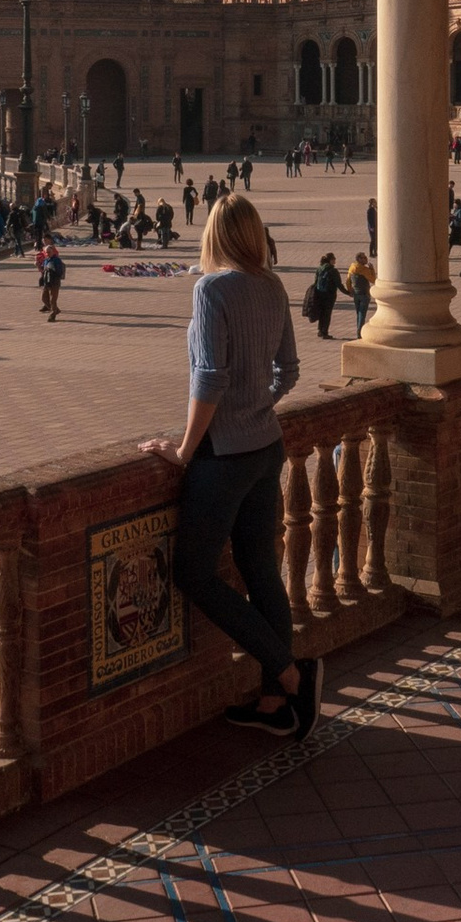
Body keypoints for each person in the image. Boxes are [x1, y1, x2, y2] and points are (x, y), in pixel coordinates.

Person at [139, 194, 317, 741]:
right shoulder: (272, 285)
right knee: (261, 569)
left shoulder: (212, 288)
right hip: (267, 446)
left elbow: (209, 376)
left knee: (195, 572)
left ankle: (291, 676)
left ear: (214, 234)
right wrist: (258, 404)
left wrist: (185, 449)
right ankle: (272, 701)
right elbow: (289, 370)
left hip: (225, 456)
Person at [305, 252, 342, 339]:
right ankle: (325, 332)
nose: (335, 260)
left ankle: (320, 331)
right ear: (330, 260)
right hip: (330, 295)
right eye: (334, 259)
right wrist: (348, 293)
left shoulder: (319, 269)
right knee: (327, 314)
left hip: (319, 294)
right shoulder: (333, 271)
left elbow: (316, 281)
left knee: (321, 312)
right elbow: (339, 284)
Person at [346, 251, 375, 335]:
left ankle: (358, 329)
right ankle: (359, 331)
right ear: (359, 259)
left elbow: (348, 280)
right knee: (362, 314)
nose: (366, 259)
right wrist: (372, 269)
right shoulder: (364, 270)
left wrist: (349, 290)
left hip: (356, 294)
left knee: (358, 313)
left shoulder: (352, 267)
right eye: (364, 258)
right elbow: (373, 280)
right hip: (364, 294)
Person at [36, 241, 65, 322]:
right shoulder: (46, 260)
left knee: (53, 300)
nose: (48, 253)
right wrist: (38, 266)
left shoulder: (57, 260)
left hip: (54, 282)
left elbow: (59, 272)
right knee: (44, 298)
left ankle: (53, 315)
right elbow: (42, 270)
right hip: (46, 282)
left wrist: (52, 271)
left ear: (53, 252)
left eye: (49, 252)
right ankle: (55, 310)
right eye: (46, 252)